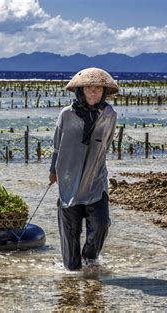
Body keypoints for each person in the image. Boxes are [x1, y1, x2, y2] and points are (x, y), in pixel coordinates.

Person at [49, 67, 118, 271]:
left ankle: (90, 258)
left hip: (95, 179)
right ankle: (71, 273)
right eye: (89, 89)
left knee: (102, 224)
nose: (94, 93)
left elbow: (107, 143)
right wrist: (53, 171)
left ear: (104, 91)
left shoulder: (109, 114)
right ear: (81, 91)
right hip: (69, 179)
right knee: (70, 235)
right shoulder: (66, 115)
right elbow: (56, 146)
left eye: (98, 89)